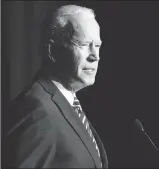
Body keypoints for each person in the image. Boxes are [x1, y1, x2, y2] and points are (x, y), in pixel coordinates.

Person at [2, 4, 108, 168]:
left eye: (98, 45)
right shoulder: (36, 109)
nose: (95, 56)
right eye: (83, 44)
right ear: (52, 51)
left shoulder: (68, 101)